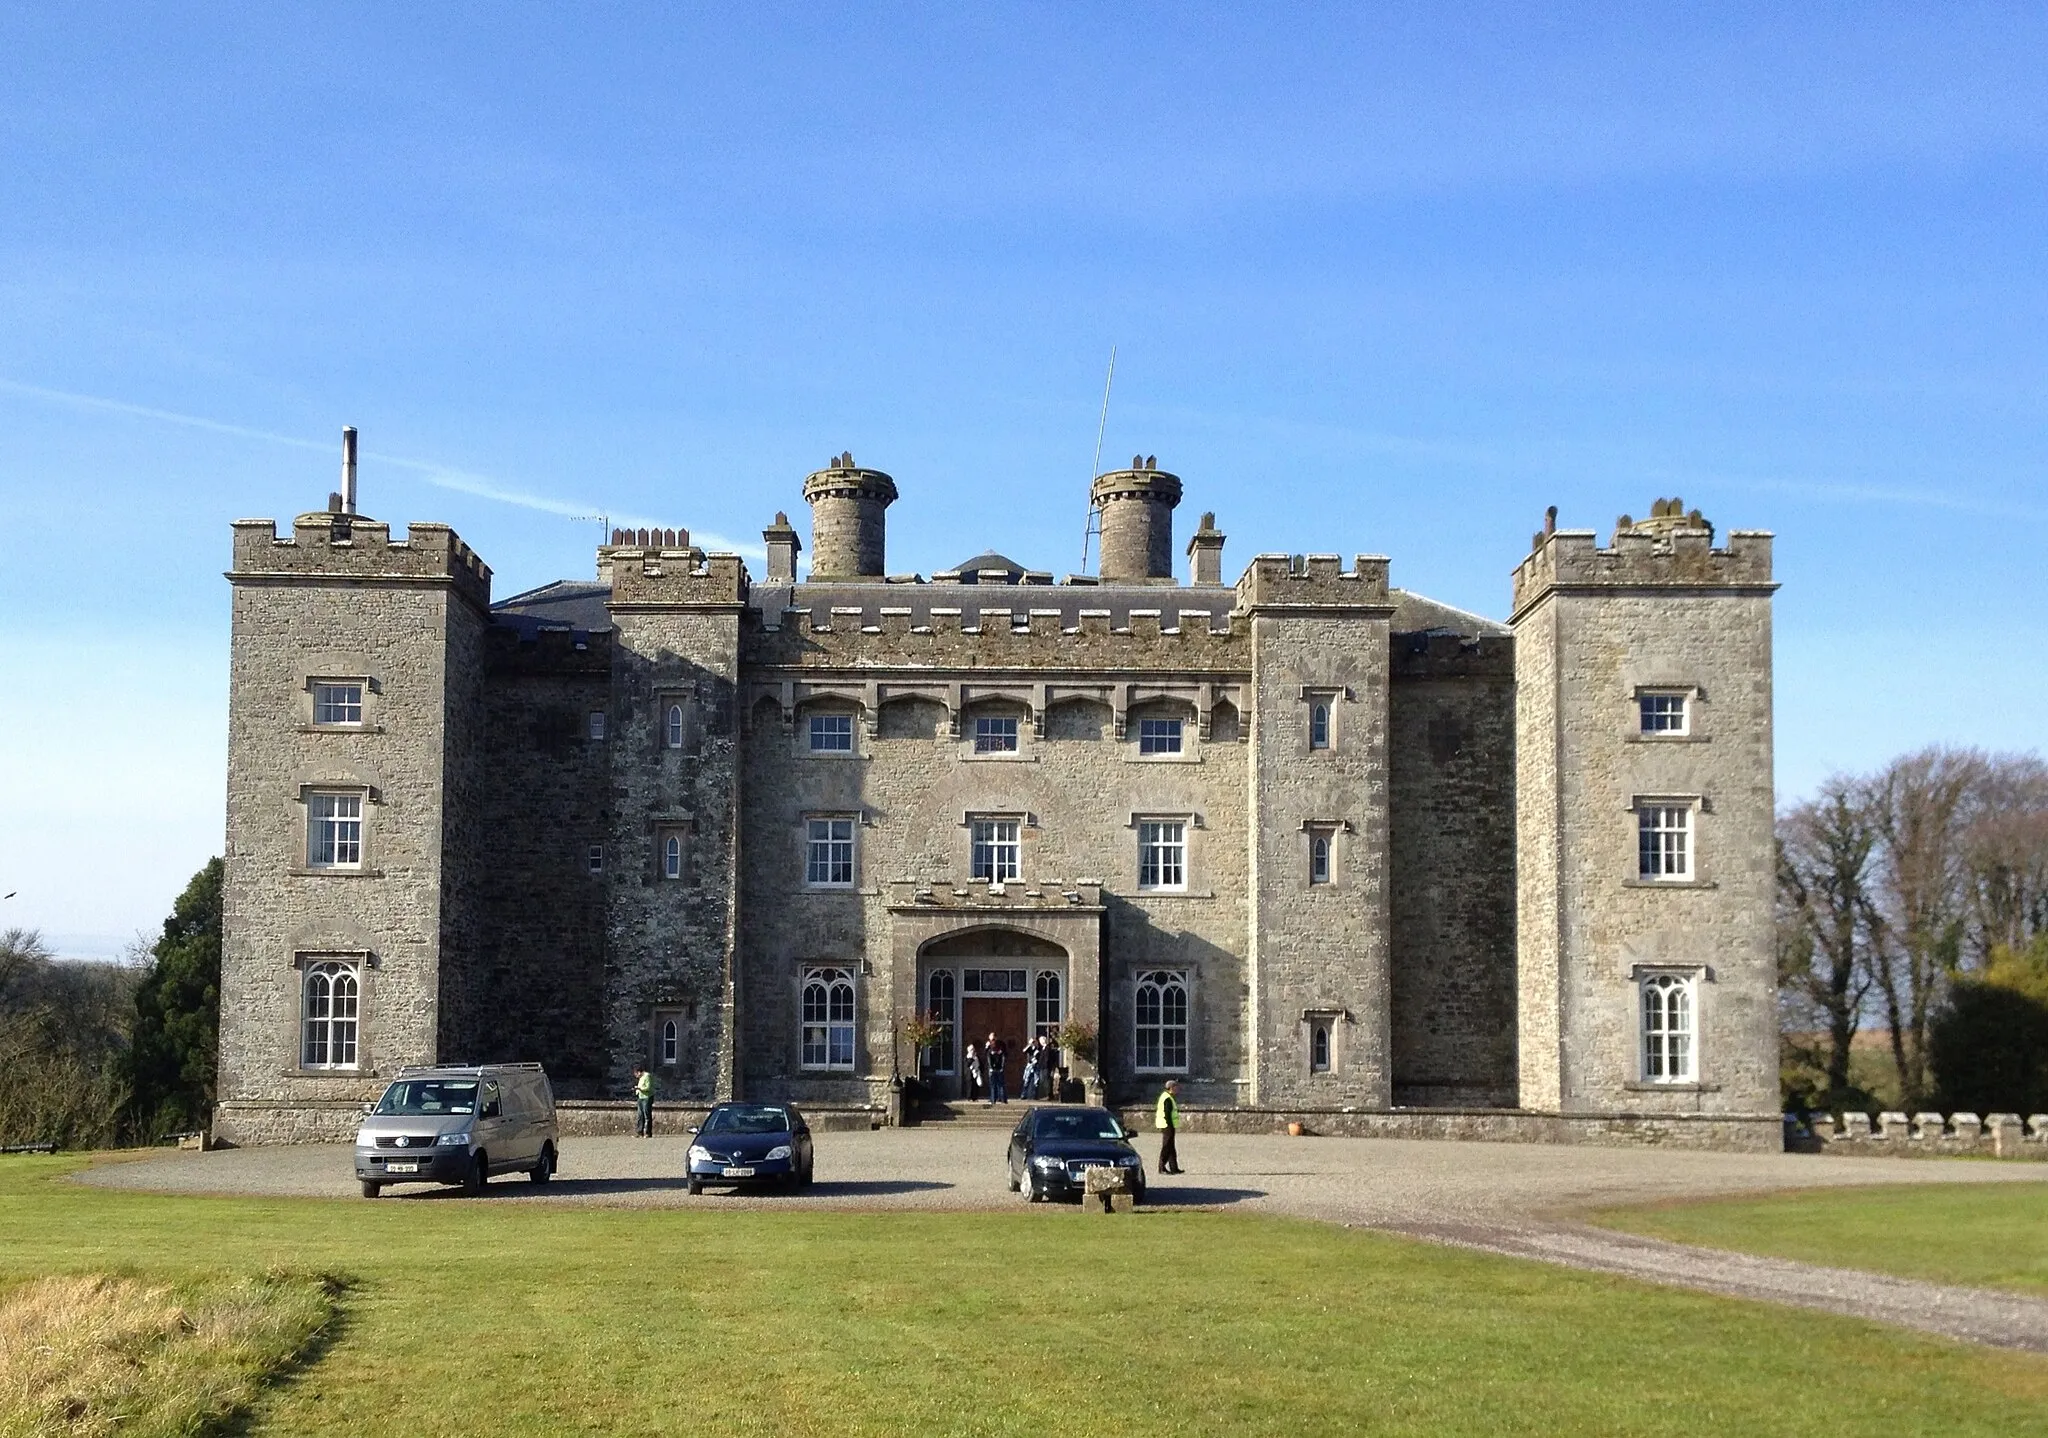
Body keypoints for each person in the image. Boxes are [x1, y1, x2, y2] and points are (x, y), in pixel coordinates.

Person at [1154, 1078, 1182, 1174]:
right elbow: (1167, 1113)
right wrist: (1169, 1125)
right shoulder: (1167, 1098)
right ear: (1171, 1088)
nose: (1178, 1089)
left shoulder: (1168, 1096)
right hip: (1166, 1125)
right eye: (1176, 1087)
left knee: (1171, 1147)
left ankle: (1174, 1167)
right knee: (1166, 1146)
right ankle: (1161, 1167)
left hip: (1168, 1124)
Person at [986, 1032, 1008, 1105]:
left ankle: (1003, 1099)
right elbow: (986, 1056)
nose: (992, 1040)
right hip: (992, 1068)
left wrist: (1002, 1066)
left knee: (1001, 1084)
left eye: (993, 1039)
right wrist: (986, 1047)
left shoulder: (1001, 1045)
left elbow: (1004, 1056)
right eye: (991, 1039)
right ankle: (993, 1099)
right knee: (993, 1085)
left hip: (999, 1067)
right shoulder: (989, 1046)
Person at [633, 1064, 654, 1138]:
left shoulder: (647, 1076)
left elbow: (648, 1087)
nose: (635, 1076)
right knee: (640, 1115)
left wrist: (639, 1089)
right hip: (640, 1097)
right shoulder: (641, 1078)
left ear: (639, 1072)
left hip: (647, 1097)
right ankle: (639, 1132)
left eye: (635, 1074)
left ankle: (648, 1133)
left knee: (647, 1115)